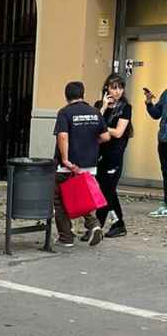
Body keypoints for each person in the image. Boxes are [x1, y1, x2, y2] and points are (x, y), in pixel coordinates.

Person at [53, 81, 110, 247]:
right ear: (82, 94)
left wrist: (65, 160)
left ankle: (66, 237)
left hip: (68, 166)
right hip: (89, 165)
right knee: (82, 198)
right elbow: (106, 137)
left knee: (59, 200)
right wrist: (90, 143)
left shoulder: (65, 113)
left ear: (66, 96)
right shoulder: (94, 112)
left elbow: (62, 136)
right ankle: (94, 225)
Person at [94, 74, 131, 237]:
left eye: (120, 87)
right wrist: (102, 107)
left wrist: (102, 128)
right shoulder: (98, 105)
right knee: (107, 190)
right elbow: (92, 126)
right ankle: (118, 224)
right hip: (99, 154)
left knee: (106, 191)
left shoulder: (125, 107)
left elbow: (118, 132)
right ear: (106, 88)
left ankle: (97, 226)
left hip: (115, 154)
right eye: (113, 87)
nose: (117, 91)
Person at [143, 86, 167, 217]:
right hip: (164, 140)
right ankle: (165, 205)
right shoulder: (166, 93)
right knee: (166, 172)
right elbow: (156, 114)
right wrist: (148, 102)